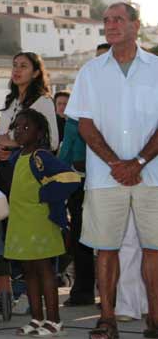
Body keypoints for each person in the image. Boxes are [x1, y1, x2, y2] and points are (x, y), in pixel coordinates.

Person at [65, 3, 158, 339]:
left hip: (153, 176)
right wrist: (117, 164)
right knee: (105, 247)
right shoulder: (91, 71)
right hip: (105, 178)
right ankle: (107, 318)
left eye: (118, 19)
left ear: (136, 25)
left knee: (154, 247)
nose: (110, 25)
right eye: (106, 20)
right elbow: (85, 125)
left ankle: (155, 320)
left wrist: (140, 162)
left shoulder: (157, 69)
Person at [3, 109, 80, 337]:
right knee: (29, 271)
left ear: (39, 133)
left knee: (44, 269)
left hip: (39, 222)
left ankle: (54, 321)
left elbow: (71, 177)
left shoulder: (41, 157)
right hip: (20, 222)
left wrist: (44, 195)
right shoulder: (18, 156)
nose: (19, 130)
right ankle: (37, 319)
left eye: (26, 127)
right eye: (17, 126)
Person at [57, 93, 95, 307]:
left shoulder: (74, 119)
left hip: (79, 184)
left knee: (82, 240)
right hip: (108, 180)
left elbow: (66, 154)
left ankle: (83, 291)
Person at [0, 52, 60, 166]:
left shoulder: (43, 102)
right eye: (15, 65)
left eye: (23, 66)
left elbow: (53, 142)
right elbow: (1, 134)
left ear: (35, 73)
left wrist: (15, 143)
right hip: (5, 166)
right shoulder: (11, 100)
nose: (17, 70)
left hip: (27, 167)